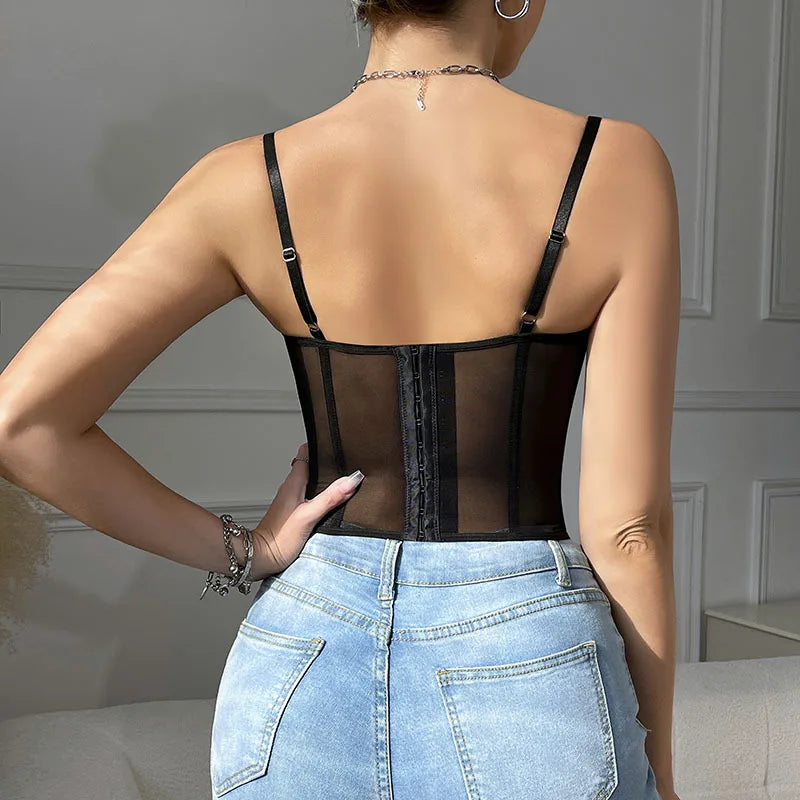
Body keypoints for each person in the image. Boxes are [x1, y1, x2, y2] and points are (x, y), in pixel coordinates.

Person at [0, 0, 681, 797]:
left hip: (299, 662)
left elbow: (21, 424)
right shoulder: (613, 163)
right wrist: (661, 771)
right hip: (526, 661)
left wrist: (247, 552)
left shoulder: (244, 178)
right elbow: (629, 530)